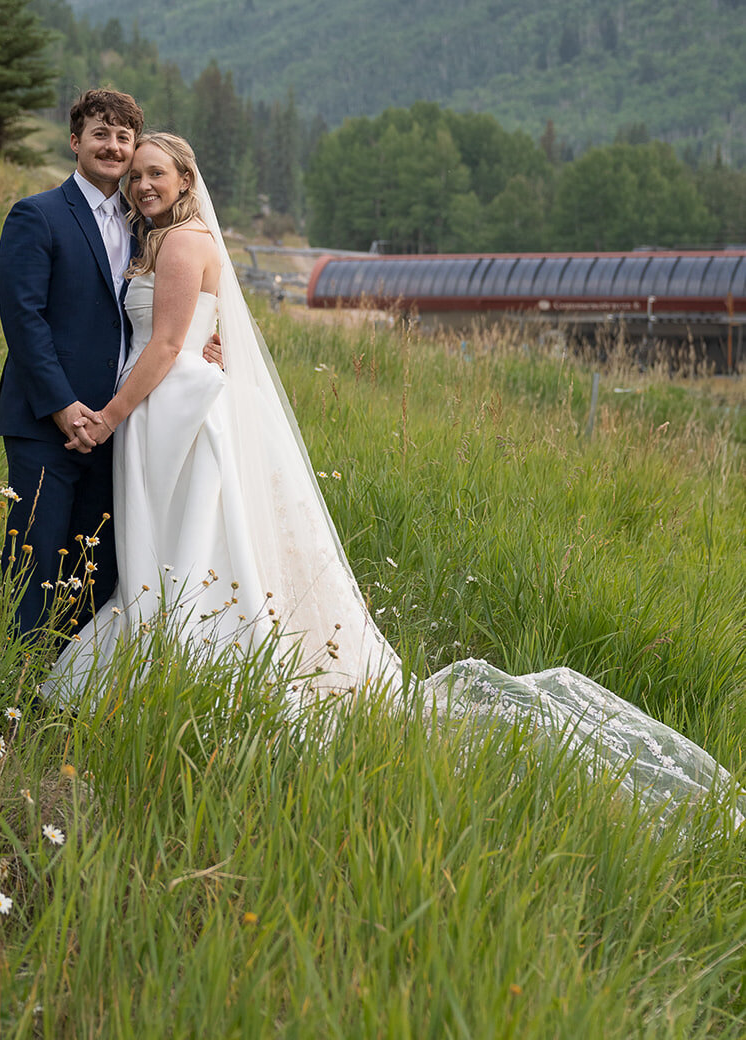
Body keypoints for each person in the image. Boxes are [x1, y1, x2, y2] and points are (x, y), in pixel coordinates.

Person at [47, 132, 744, 822]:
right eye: (135, 174)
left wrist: (107, 417)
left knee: (185, 545)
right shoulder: (165, 239)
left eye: (156, 173)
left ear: (186, 178)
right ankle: (175, 656)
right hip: (170, 404)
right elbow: (184, 331)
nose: (142, 184)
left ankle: (188, 663)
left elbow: (168, 342)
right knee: (187, 545)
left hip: (172, 410)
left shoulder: (180, 242)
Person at [0, 88, 145, 649]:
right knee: (33, 560)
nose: (111, 146)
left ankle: (72, 687)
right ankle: (18, 690)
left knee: (96, 568)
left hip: (117, 425)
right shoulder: (38, 215)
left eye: (123, 137)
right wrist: (61, 406)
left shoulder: (145, 225)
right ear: (75, 141)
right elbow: (23, 318)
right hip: (43, 424)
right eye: (100, 134)